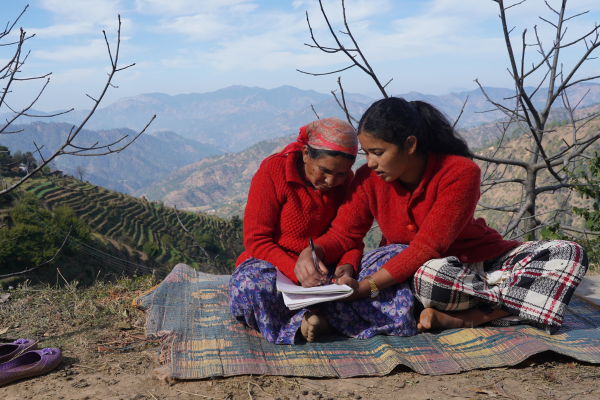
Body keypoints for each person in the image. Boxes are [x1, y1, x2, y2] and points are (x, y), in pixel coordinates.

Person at [295, 97, 588, 341]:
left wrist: (367, 286)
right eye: (367, 153)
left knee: (569, 253)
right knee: (429, 278)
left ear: (409, 144)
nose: (370, 162)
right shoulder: (368, 179)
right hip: (431, 274)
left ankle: (474, 317)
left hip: (482, 262)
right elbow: (345, 234)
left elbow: (427, 246)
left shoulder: (459, 172)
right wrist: (315, 251)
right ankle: (524, 300)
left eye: (378, 152)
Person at [229, 117, 364, 344]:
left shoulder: (346, 182)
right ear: (305, 154)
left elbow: (351, 236)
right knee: (250, 288)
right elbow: (256, 239)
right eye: (324, 170)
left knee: (376, 283)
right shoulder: (273, 172)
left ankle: (313, 319)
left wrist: (347, 267)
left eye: (341, 174)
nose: (331, 180)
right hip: (274, 268)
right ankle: (320, 318)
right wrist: (296, 272)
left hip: (324, 271)